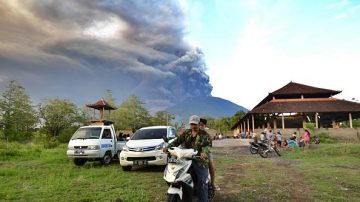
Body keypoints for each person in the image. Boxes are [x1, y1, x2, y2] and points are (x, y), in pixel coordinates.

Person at [163, 115, 211, 202]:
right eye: (191, 124)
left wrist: (204, 152)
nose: (193, 126)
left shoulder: (204, 135)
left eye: (195, 124)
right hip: (186, 158)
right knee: (176, 175)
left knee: (201, 182)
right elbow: (177, 141)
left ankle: (203, 199)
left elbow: (207, 146)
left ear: (199, 124)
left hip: (199, 160)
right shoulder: (187, 132)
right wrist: (168, 147)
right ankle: (185, 192)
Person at [199, 118, 220, 191]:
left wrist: (204, 151)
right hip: (193, 152)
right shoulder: (193, 133)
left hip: (206, 152)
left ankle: (213, 183)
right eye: (199, 125)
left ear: (204, 126)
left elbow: (209, 146)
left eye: (202, 125)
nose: (200, 126)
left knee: (211, 165)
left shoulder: (207, 135)